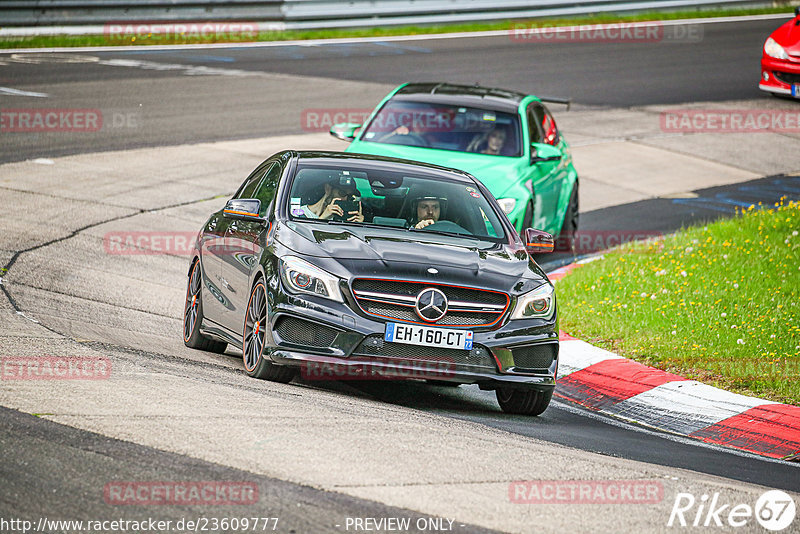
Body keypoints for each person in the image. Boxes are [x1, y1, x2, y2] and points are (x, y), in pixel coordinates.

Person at [299, 177, 364, 222]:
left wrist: (357, 225)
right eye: (342, 193)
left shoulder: (342, 218)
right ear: (328, 188)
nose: (345, 199)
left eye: (349, 196)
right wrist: (323, 218)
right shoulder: (299, 214)